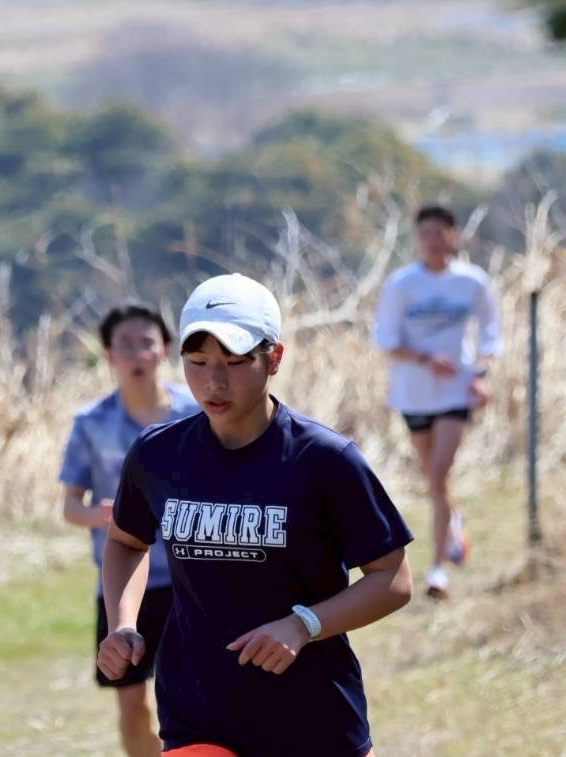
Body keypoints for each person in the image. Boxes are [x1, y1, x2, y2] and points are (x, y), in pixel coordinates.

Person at [98, 273, 414, 756]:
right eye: (197, 362)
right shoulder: (157, 455)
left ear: (275, 358)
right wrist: (123, 623)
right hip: (196, 715)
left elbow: (393, 579)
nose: (214, 381)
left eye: (235, 362)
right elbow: (126, 541)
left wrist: (304, 624)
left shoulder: (325, 459)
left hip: (314, 721)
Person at [59, 303, 200, 757]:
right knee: (134, 704)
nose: (137, 354)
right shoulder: (91, 422)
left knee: (200, 700)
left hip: (190, 578)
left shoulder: (198, 411)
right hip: (123, 584)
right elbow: (70, 506)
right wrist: (102, 516)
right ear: (109, 354)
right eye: (126, 344)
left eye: (147, 343)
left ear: (165, 350)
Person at [373, 204, 503, 600]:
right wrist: (426, 359)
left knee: (439, 471)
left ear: (453, 235)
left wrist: (480, 376)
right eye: (425, 233)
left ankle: (436, 572)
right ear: (417, 238)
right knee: (434, 478)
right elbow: (386, 340)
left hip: (455, 393)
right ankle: (454, 518)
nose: (432, 241)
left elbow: (491, 333)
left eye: (439, 232)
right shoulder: (401, 284)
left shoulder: (472, 281)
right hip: (413, 394)